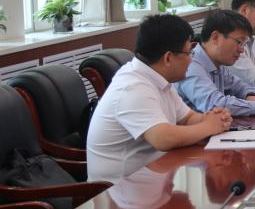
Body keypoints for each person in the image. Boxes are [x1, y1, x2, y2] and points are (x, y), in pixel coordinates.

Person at [86, 14, 232, 182]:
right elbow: (162, 138)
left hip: (152, 176)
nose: (191, 60)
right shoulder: (132, 87)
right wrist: (208, 127)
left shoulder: (158, 78)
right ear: (168, 58)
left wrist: (213, 118)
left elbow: (186, 118)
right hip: (118, 189)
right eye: (189, 53)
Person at [177, 9, 255, 116]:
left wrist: (252, 97)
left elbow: (242, 86)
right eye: (239, 42)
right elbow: (215, 104)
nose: (242, 50)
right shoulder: (191, 65)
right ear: (215, 37)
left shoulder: (217, 63)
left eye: (244, 44)